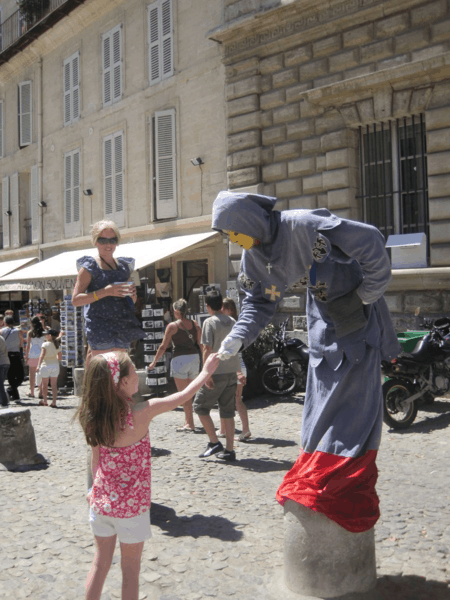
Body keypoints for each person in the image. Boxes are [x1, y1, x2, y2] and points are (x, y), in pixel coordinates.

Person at [212, 190, 401, 532]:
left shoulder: (305, 225)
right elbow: (258, 301)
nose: (234, 241)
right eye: (227, 237)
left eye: (233, 232)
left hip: (354, 322)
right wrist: (238, 335)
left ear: (250, 221)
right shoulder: (253, 256)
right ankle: (317, 468)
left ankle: (339, 478)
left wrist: (365, 295)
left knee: (351, 409)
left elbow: (370, 240)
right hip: (322, 323)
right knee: (318, 406)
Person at [75, 351, 220, 600]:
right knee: (130, 572)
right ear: (121, 382)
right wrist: (206, 371)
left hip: (101, 504)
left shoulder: (94, 417)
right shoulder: (140, 412)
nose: (137, 374)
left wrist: (91, 491)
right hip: (132, 509)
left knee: (99, 565)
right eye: (133, 371)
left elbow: (96, 459)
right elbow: (182, 396)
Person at [72, 220, 145, 363]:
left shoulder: (124, 267)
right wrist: (105, 292)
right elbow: (75, 300)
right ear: (95, 242)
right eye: (103, 240)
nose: (108, 244)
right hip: (100, 328)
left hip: (121, 326)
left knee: (119, 372)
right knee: (103, 372)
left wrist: (132, 295)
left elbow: (130, 301)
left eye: (113, 240)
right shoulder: (89, 267)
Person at [193, 290, 241, 462]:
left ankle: (214, 442)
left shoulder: (209, 322)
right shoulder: (233, 321)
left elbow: (206, 348)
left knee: (199, 406)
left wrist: (207, 374)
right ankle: (229, 450)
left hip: (216, 371)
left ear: (207, 306)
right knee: (228, 412)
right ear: (222, 305)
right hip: (231, 370)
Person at [148, 298, 202, 432]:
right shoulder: (195, 324)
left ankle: (189, 423)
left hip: (180, 359)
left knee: (183, 394)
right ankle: (189, 421)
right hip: (194, 358)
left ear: (177, 311)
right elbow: (201, 344)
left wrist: (154, 361)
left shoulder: (172, 326)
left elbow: (163, 346)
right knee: (190, 393)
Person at [217, 297, 251, 441]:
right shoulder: (236, 324)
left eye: (223, 308)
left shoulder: (231, 325)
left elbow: (234, 351)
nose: (220, 311)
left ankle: (240, 429)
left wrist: (237, 372)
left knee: (231, 399)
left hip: (235, 367)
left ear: (229, 309)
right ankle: (227, 429)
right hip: (237, 366)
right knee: (232, 399)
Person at [1, 315, 24, 401]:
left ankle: (10, 391)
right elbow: (21, 343)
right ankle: (15, 395)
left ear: (5, 322)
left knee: (11, 376)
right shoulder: (19, 331)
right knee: (20, 376)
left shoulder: (1, 331)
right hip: (16, 355)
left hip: (7, 355)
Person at [37, 329, 62, 408]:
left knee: (45, 385)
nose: (45, 336)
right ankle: (54, 402)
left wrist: (38, 365)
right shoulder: (57, 345)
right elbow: (60, 357)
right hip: (55, 366)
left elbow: (42, 355)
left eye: (46, 334)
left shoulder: (45, 344)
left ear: (50, 336)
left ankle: (45, 401)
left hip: (45, 365)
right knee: (54, 385)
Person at [25, 317, 46, 399]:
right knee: (42, 374)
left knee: (32, 375)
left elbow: (28, 346)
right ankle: (41, 392)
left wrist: (26, 356)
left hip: (33, 354)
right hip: (42, 354)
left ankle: (32, 392)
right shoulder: (44, 332)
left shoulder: (30, 333)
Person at [0, 334, 10, 407]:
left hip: (1, 363)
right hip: (5, 362)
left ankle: (4, 402)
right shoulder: (1, 338)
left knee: (0, 384)